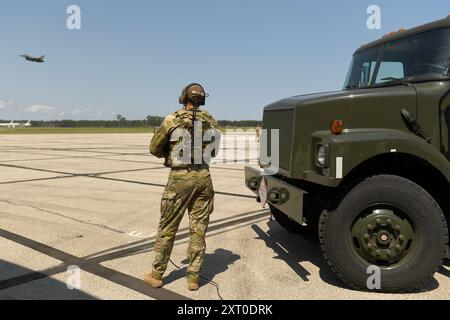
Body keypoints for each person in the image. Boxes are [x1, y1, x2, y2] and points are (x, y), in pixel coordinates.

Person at [144, 83, 220, 291]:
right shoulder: (211, 121)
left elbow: (154, 149)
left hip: (179, 179)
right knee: (198, 229)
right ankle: (193, 278)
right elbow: (213, 153)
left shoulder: (172, 120)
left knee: (167, 228)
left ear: (183, 97)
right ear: (202, 99)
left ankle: (157, 274)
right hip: (204, 178)